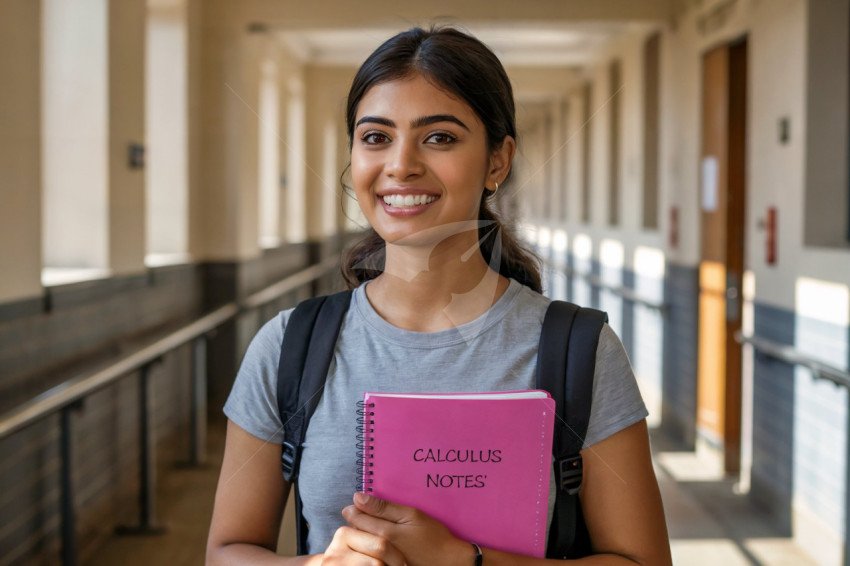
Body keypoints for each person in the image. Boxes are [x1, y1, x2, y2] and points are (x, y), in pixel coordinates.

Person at [206, 26, 671, 566]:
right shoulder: (290, 347)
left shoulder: (580, 352)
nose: (401, 165)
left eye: (439, 137)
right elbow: (227, 551)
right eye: (376, 137)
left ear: (498, 162)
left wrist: (464, 561)